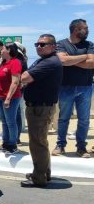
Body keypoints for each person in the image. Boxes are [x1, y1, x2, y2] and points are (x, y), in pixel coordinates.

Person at [20, 34, 63, 187]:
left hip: (40, 108)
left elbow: (24, 77)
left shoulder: (49, 62)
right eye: (37, 44)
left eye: (43, 44)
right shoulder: (43, 60)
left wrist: (24, 79)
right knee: (41, 142)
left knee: (37, 143)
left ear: (53, 46)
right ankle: (44, 173)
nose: (39, 47)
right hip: (40, 106)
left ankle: (39, 178)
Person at [52, 19, 94, 158]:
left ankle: (81, 147)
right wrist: (84, 57)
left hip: (85, 87)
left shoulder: (90, 44)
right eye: (85, 28)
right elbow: (62, 61)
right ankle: (60, 145)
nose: (87, 31)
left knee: (84, 119)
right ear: (76, 30)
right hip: (66, 87)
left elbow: (91, 64)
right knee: (63, 118)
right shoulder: (61, 44)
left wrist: (71, 60)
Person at [0, 43, 22, 154]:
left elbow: (15, 82)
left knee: (11, 122)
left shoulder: (15, 62)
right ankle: (5, 143)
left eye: (3, 49)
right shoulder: (3, 63)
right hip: (0, 96)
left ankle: (12, 145)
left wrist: (8, 98)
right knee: (4, 122)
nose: (1, 51)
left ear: (9, 50)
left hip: (11, 97)